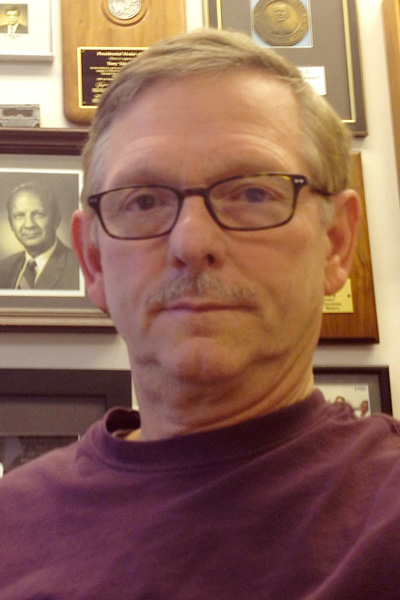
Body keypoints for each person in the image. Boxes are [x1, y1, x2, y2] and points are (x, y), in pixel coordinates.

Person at [0, 28, 399, 599]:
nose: (191, 241)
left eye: (254, 193)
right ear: (92, 261)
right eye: (143, 200)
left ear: (336, 242)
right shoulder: (10, 526)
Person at [0, 182, 80, 290]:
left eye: (38, 214)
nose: (29, 225)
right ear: (11, 224)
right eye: (19, 216)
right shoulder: (4, 267)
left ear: (56, 220)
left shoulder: (79, 268)